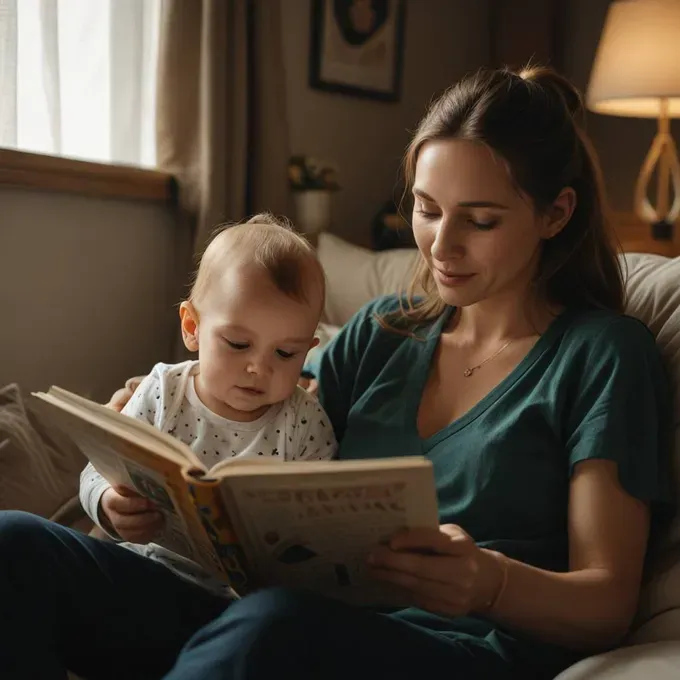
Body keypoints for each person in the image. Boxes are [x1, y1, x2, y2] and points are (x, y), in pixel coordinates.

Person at [0, 65, 672, 680]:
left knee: (269, 630)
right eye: (427, 209)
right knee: (18, 544)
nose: (440, 245)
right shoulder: (384, 332)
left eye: (482, 221)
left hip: (450, 651)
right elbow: (255, 399)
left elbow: (606, 601)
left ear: (556, 212)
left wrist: (489, 582)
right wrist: (141, 433)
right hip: (280, 624)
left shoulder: (603, 354)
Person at [83, 213, 337, 593]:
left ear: (308, 351)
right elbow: (97, 470)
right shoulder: (162, 390)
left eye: (285, 353)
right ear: (192, 327)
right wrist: (107, 503)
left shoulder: (303, 421)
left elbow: (325, 524)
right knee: (19, 535)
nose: (258, 368)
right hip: (141, 573)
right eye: (238, 344)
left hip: (235, 606)